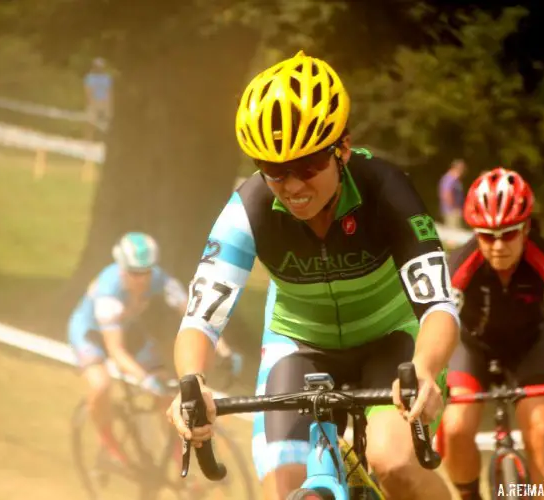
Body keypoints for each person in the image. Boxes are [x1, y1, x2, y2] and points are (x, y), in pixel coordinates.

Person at [167, 50, 461, 500]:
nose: (294, 187)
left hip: (391, 340)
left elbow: (438, 305)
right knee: (282, 488)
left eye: (308, 167)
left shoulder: (385, 190)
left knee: (393, 463)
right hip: (299, 344)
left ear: (341, 148)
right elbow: (200, 319)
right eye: (275, 172)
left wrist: (424, 371)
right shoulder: (249, 210)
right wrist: (193, 384)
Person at [441, 168, 544, 500]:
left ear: (526, 228)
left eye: (508, 234)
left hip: (528, 348)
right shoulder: (461, 264)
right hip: (473, 347)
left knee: (542, 432)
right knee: (456, 427)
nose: (497, 246)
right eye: (486, 235)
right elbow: (441, 324)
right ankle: (468, 496)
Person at [68, 232, 241, 466]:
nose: (142, 279)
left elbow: (196, 314)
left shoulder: (160, 279)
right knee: (101, 385)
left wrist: (224, 350)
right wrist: (144, 378)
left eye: (146, 272)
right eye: (134, 273)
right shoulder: (109, 292)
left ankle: (174, 454)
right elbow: (116, 352)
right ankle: (109, 444)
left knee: (166, 392)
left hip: (127, 328)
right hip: (90, 334)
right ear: (121, 269)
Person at [83, 57, 113, 133]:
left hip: (103, 102)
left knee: (104, 123)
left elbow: (109, 92)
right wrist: (90, 101)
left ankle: (100, 139)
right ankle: (88, 140)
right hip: (94, 101)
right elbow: (88, 91)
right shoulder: (90, 78)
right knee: (90, 122)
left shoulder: (106, 78)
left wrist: (109, 104)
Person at [438, 159, 466, 229]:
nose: (463, 171)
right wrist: (454, 208)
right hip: (451, 212)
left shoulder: (455, 179)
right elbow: (446, 193)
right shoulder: (449, 179)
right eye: (461, 168)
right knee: (453, 234)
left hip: (455, 211)